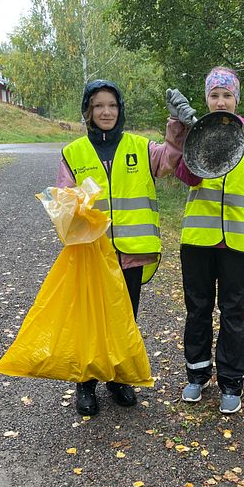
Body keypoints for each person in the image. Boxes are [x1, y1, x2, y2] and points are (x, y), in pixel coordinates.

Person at [56, 79, 196, 416]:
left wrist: (177, 125)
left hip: (131, 253)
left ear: (120, 110)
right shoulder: (73, 153)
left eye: (112, 105)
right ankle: (86, 383)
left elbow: (169, 160)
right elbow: (62, 204)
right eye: (99, 105)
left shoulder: (140, 147)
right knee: (91, 319)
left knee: (125, 319)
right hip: (92, 255)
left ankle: (118, 379)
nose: (106, 111)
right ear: (88, 111)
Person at [175, 67, 244, 414]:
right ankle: (196, 375)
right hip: (199, 241)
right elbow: (186, 175)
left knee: (233, 313)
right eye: (214, 95)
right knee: (198, 309)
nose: (221, 101)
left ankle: (232, 382)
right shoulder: (199, 132)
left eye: (226, 95)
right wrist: (187, 131)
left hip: (237, 242)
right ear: (207, 99)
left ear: (236, 99)